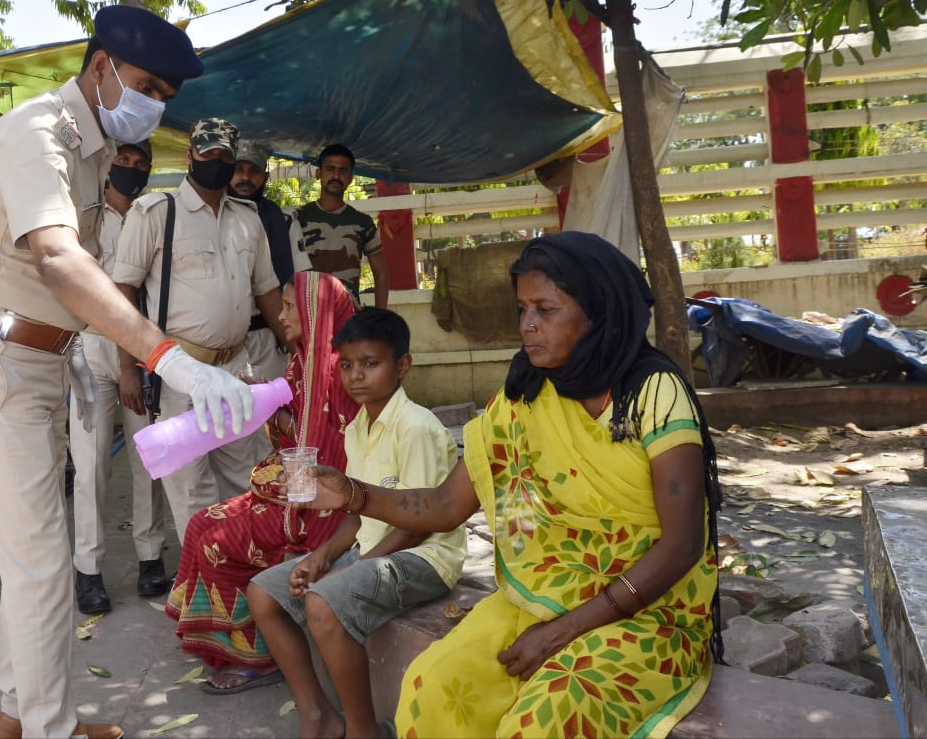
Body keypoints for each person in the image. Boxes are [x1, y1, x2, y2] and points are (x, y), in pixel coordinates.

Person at [0, 6, 257, 739]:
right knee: (46, 560)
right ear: (99, 66)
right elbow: (58, 258)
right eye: (146, 85)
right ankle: (52, 728)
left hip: (36, 361)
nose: (154, 106)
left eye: (166, 97)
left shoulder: (87, 150)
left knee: (31, 558)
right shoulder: (39, 135)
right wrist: (163, 353)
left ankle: (21, 715)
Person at [305, 232, 725, 738]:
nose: (527, 325)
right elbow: (444, 505)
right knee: (434, 683)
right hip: (543, 598)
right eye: (523, 308)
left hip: (646, 611)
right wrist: (354, 493)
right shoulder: (526, 393)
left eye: (546, 309)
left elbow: (682, 545)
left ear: (598, 312)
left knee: (543, 721)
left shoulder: (652, 393)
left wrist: (565, 631)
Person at [247, 307, 466, 739]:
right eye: (347, 365)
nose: (356, 376)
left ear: (402, 366)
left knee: (323, 602)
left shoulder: (415, 427)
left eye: (371, 363)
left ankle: (365, 731)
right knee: (263, 593)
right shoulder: (357, 428)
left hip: (423, 556)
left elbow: (421, 522)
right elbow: (358, 513)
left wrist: (352, 568)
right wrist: (322, 556)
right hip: (371, 550)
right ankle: (318, 717)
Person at [165, 270, 358, 695]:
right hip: (291, 490)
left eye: (291, 307)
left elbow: (323, 461)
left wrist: (272, 409)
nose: (281, 315)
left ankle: (260, 657)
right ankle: (238, 643)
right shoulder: (302, 361)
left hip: (319, 510)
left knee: (217, 539)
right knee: (202, 523)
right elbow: (294, 437)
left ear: (316, 311)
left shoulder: (338, 371)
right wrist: (262, 399)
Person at [112, 117, 286, 540]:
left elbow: (267, 293)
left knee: (246, 480)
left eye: (225, 155)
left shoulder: (248, 218)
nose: (217, 162)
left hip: (237, 368)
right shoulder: (156, 212)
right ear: (190, 156)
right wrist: (127, 369)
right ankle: (204, 591)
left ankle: (242, 580)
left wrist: (298, 346)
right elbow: (121, 295)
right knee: (192, 489)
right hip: (178, 373)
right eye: (208, 154)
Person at [69, 141, 172, 615]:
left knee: (148, 459)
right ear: (108, 166)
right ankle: (88, 571)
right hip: (91, 349)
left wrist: (136, 359)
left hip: (142, 350)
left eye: (140, 164)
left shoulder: (154, 216)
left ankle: (151, 559)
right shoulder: (85, 218)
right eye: (123, 162)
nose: (131, 170)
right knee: (90, 465)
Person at [230, 139, 311, 383]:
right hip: (224, 340)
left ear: (264, 177)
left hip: (270, 335)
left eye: (254, 171)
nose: (245, 178)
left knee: (273, 413)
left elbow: (301, 283)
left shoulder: (283, 221)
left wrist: (300, 341)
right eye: (238, 170)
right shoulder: (213, 219)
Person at [293, 143, 390, 309]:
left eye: (343, 170)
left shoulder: (362, 222)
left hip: (348, 314)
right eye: (330, 169)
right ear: (319, 173)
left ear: (351, 178)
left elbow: (381, 274)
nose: (336, 175)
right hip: (307, 313)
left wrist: (380, 318)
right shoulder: (298, 218)